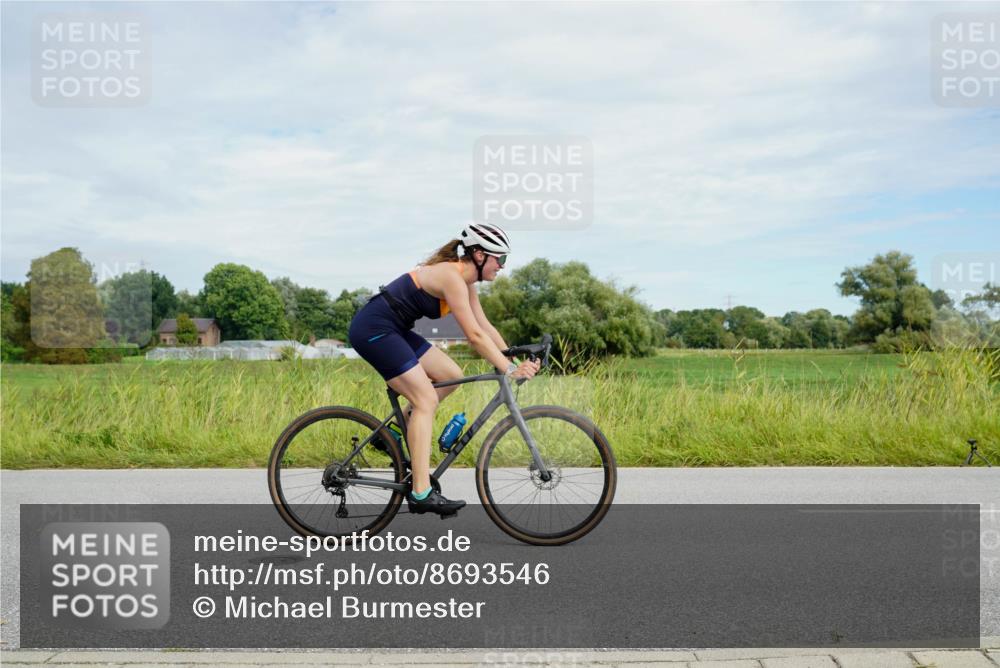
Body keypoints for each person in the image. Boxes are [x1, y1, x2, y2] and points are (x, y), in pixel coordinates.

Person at [348, 223, 541, 517]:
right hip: (374, 329)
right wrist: (509, 369)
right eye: (499, 259)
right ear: (478, 254)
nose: (502, 266)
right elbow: (473, 337)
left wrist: (512, 358)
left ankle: (394, 434)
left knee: (451, 375)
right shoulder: (451, 277)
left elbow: (484, 327)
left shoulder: (466, 284)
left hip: (395, 330)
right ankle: (421, 492)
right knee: (425, 399)